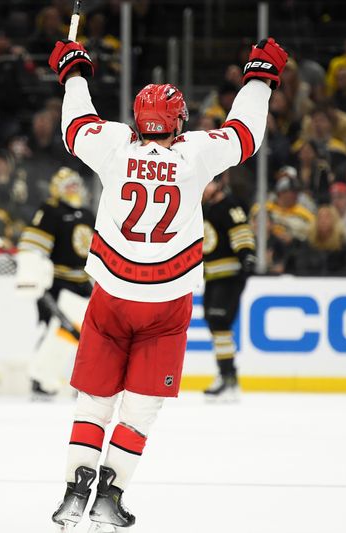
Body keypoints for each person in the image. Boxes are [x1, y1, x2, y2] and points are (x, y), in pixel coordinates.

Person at [46, 36, 286, 531]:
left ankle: (74, 492)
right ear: (178, 123)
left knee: (95, 398)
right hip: (167, 302)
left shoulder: (113, 144)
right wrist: (260, 76)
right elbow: (245, 133)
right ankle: (111, 496)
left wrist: (74, 69)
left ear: (137, 120)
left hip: (112, 294)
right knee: (141, 405)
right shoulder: (196, 153)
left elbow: (74, 125)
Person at [16, 168, 95, 398]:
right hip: (58, 282)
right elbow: (33, 246)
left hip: (83, 281)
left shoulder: (88, 214)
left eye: (75, 184)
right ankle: (40, 377)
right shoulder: (50, 211)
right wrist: (31, 275)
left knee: (84, 334)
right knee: (56, 331)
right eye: (67, 185)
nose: (73, 189)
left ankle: (77, 379)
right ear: (57, 189)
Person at [201, 177, 255, 400]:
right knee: (216, 324)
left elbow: (241, 231)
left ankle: (228, 377)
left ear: (219, 185)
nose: (204, 189)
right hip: (213, 276)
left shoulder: (230, 206)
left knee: (219, 321)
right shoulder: (205, 209)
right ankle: (228, 376)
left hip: (230, 275)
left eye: (208, 183)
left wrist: (247, 254)